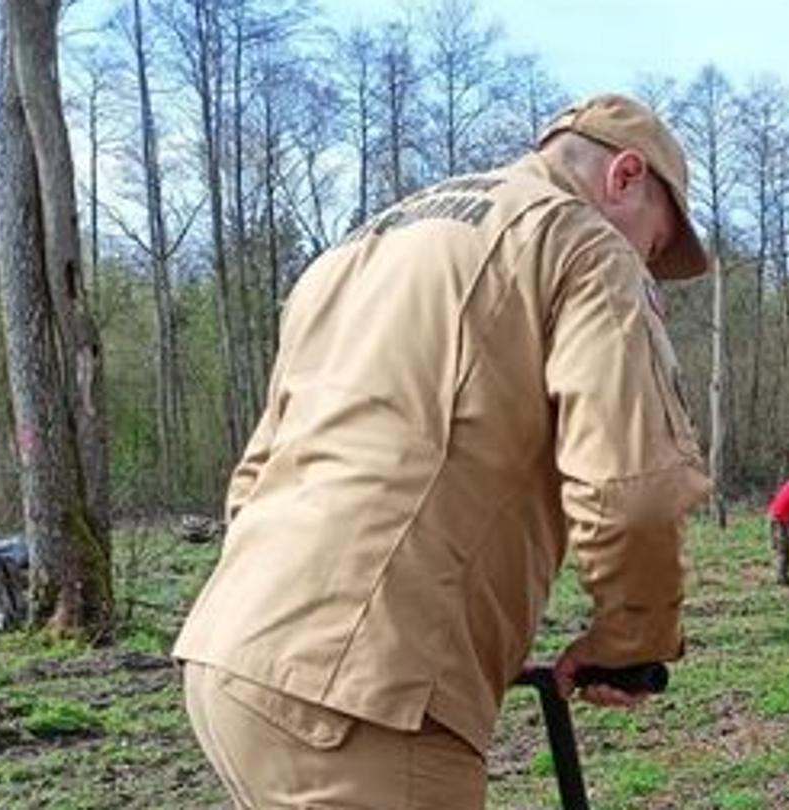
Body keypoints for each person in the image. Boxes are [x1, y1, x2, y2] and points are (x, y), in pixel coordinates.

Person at [171, 93, 714, 808]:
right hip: (364, 701)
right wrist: (633, 638)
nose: (645, 261)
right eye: (654, 242)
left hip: (233, 659)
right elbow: (633, 488)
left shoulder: (357, 250)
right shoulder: (579, 242)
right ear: (626, 176)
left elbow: (254, 477)